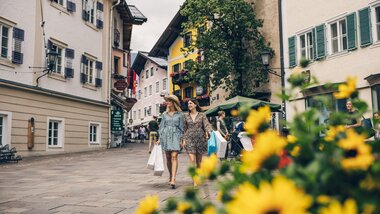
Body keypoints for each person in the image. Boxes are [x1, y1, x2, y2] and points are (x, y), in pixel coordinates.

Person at [182, 99, 213, 187]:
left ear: (195, 105)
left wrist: (209, 132)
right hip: (189, 138)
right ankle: (195, 179)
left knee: (199, 161)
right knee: (192, 160)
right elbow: (184, 129)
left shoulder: (202, 115)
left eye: (190, 103)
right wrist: (183, 140)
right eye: (188, 104)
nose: (189, 105)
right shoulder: (185, 116)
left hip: (200, 139)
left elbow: (206, 125)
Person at [156, 95, 184, 189]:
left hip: (176, 136)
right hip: (166, 136)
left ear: (173, 102)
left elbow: (182, 128)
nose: (167, 103)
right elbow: (161, 127)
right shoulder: (164, 114)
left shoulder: (180, 114)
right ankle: (170, 175)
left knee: (174, 156)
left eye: (168, 101)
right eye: (167, 101)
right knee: (168, 157)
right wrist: (159, 139)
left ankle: (173, 178)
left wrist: (182, 139)